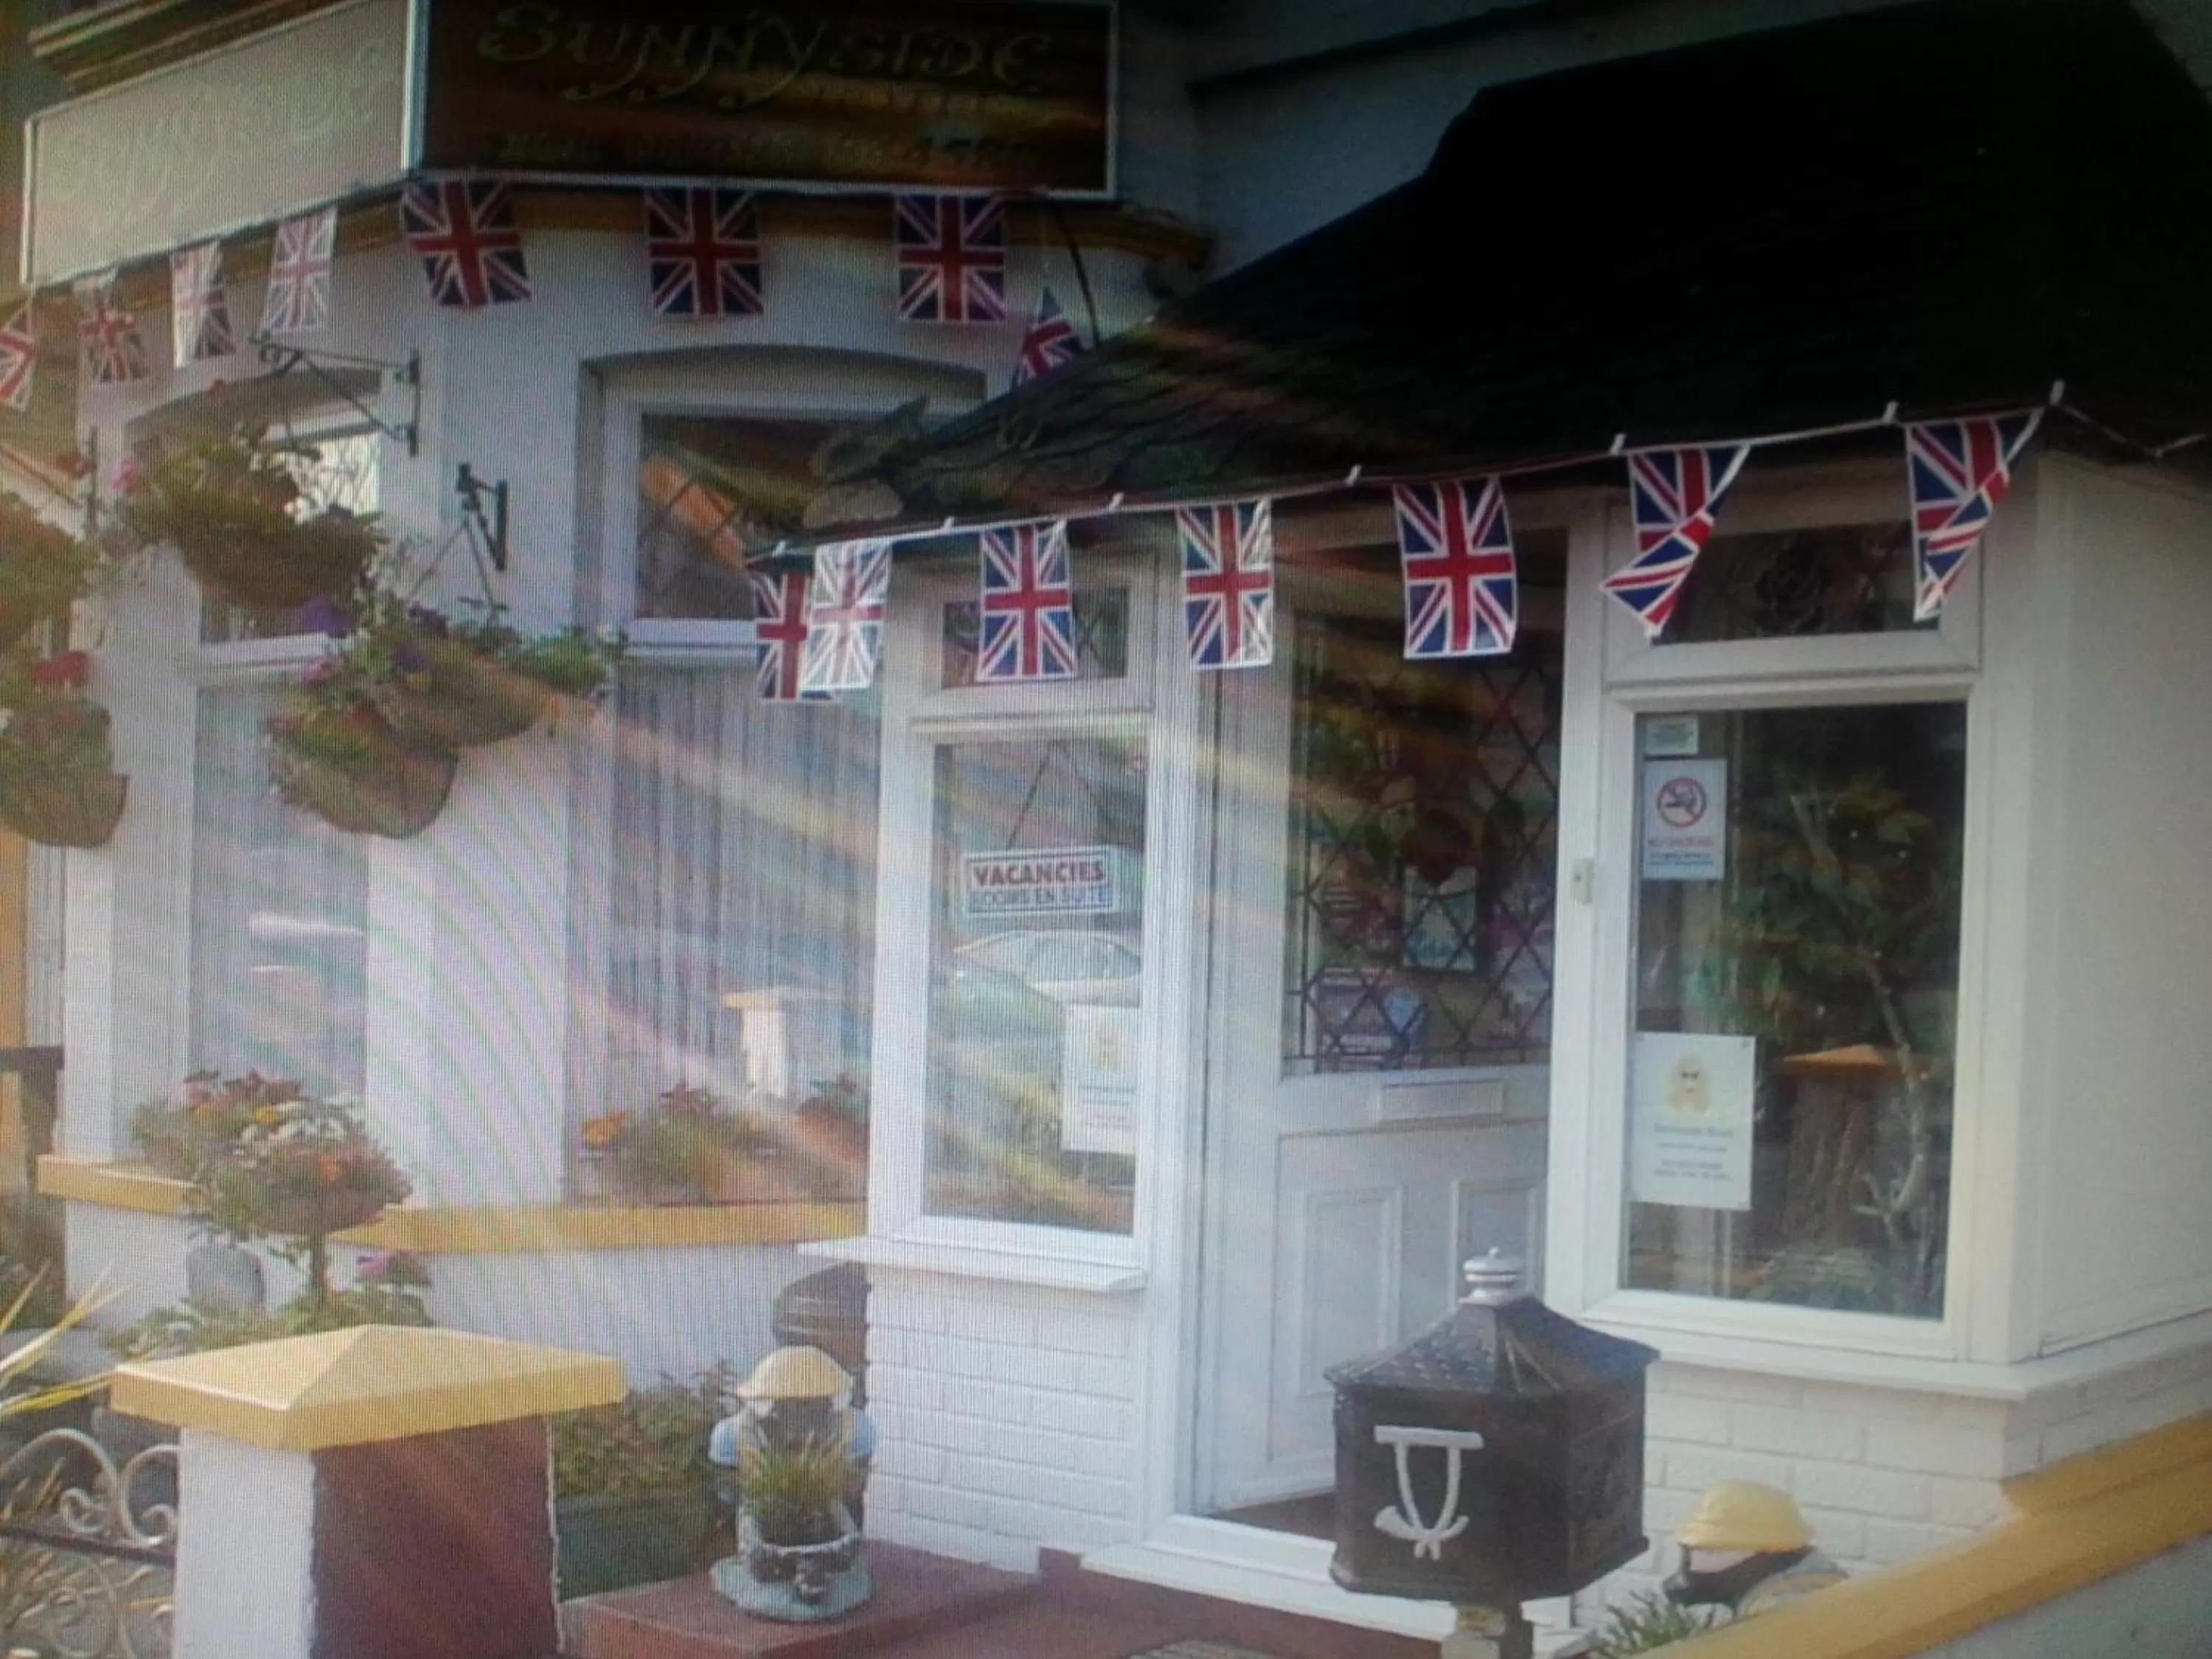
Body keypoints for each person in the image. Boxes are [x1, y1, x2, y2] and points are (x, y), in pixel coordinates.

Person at [1663, 1481, 1847, 1618]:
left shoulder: (1777, 1611)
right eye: (1689, 1552)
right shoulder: (1821, 1583)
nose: (1692, 1565)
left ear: (1764, 1556)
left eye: (1711, 1551)